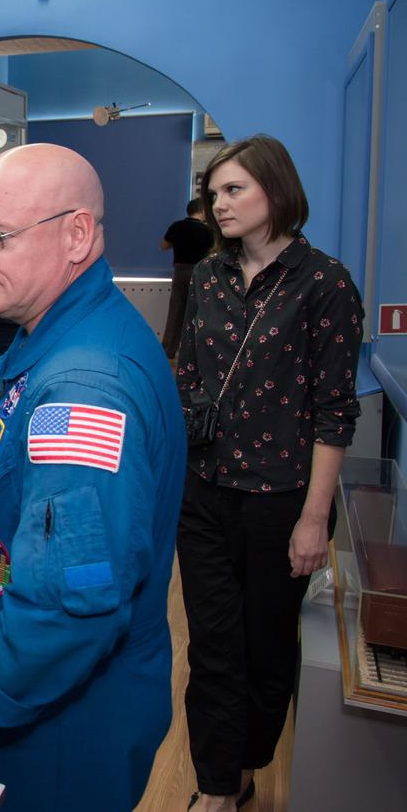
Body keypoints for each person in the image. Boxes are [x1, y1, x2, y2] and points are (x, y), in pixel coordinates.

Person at [0, 143, 184, 811]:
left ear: (76, 235)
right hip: (43, 694)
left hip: (60, 715)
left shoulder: (84, 388)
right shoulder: (45, 330)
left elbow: (76, 595)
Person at [177, 135, 362, 812]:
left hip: (282, 501)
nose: (218, 203)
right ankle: (218, 785)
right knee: (212, 644)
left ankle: (250, 761)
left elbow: (335, 411)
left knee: (266, 648)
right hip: (203, 493)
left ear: (275, 191)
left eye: (234, 190)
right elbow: (188, 375)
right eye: (214, 192)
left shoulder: (326, 282)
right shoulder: (206, 276)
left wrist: (315, 517)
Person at [160, 197, 214, 357]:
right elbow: (213, 251)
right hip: (200, 271)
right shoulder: (207, 231)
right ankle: (195, 351)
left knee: (176, 310)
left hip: (180, 270)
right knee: (199, 311)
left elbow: (163, 245)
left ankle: (169, 349)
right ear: (203, 211)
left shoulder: (177, 227)